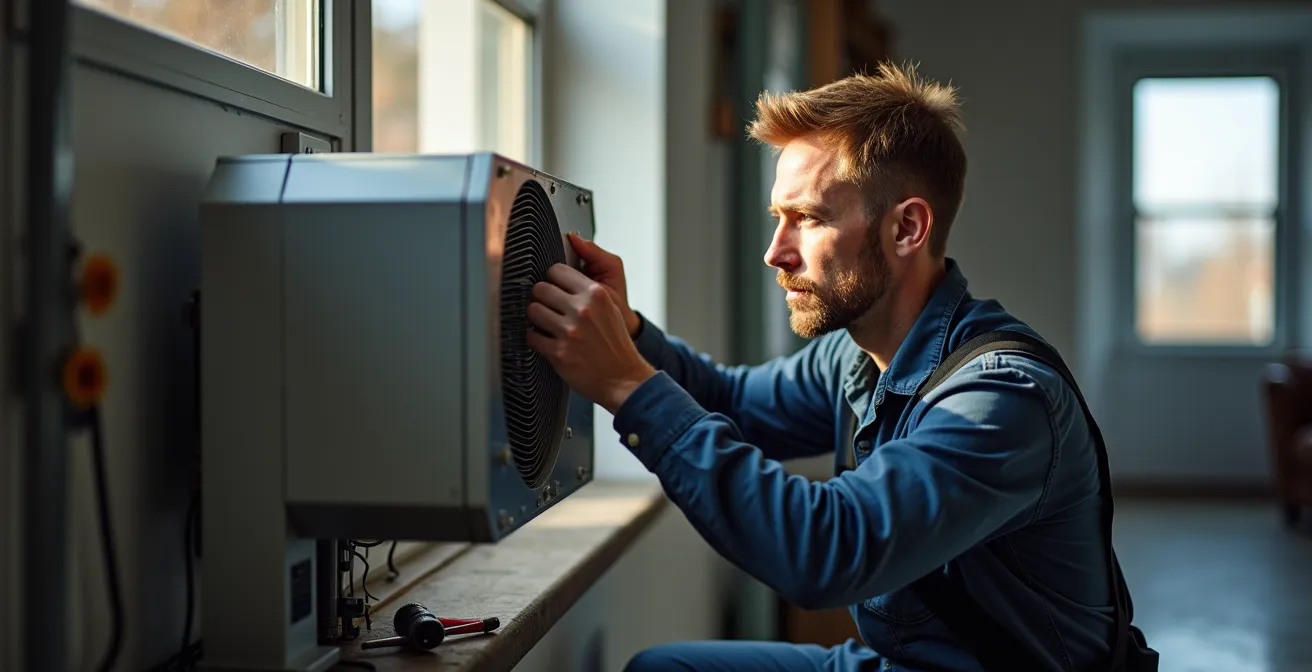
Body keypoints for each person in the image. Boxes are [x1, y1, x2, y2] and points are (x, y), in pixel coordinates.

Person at [523, 61, 1146, 671]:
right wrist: (627, 331)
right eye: (777, 218)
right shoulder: (856, 356)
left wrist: (628, 386)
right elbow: (732, 402)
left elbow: (827, 550)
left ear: (907, 227)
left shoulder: (1003, 400)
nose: (775, 253)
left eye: (809, 218)